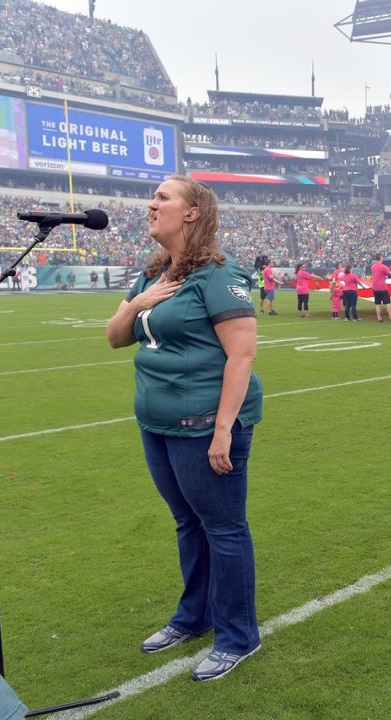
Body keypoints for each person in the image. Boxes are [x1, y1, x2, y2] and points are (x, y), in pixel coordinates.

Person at [104, 175, 263, 681]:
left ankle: (238, 636)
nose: (151, 205)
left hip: (204, 426)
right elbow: (113, 337)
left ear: (192, 213)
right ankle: (194, 618)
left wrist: (223, 431)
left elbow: (241, 355)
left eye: (163, 197)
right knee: (187, 522)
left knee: (223, 527)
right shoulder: (154, 275)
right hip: (157, 421)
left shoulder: (218, 275)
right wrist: (138, 303)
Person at [369, 253, 391, 322]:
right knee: (388, 302)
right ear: (381, 258)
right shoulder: (383, 267)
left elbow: (376, 275)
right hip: (382, 287)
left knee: (377, 303)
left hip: (375, 287)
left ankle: (379, 318)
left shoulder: (372, 267)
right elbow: (390, 276)